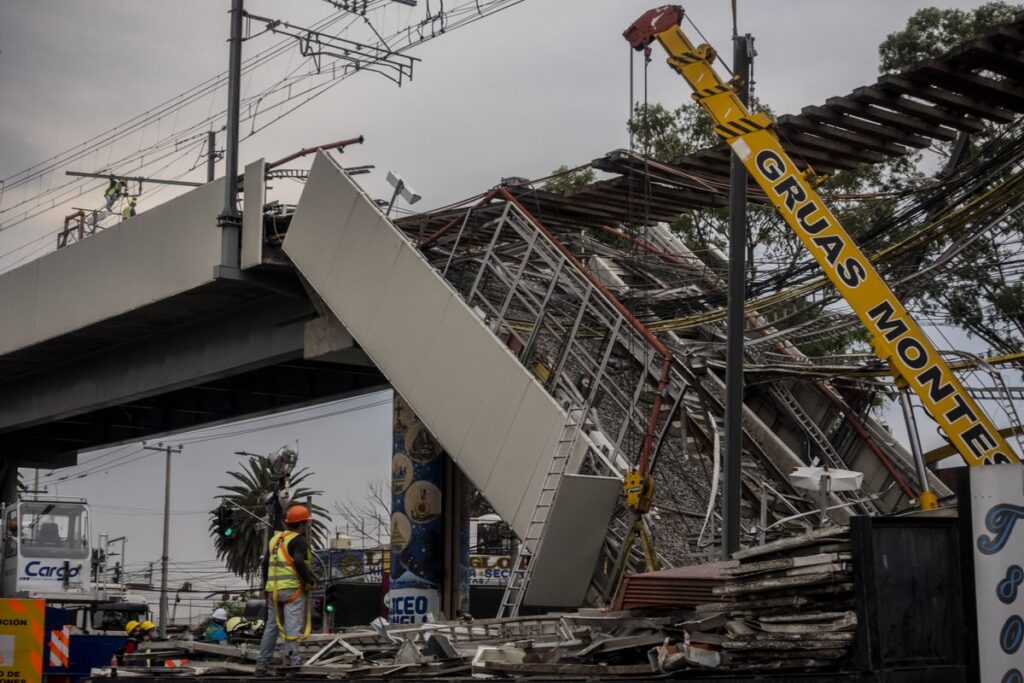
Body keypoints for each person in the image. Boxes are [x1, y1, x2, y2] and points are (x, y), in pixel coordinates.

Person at [254, 505, 317, 675]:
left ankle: (261, 665)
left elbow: (265, 563)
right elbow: (298, 561)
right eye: (306, 523)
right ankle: (293, 663)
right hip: (291, 590)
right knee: (291, 627)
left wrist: (265, 587)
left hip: (273, 591)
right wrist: (309, 580)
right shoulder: (299, 540)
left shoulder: (274, 540)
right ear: (302, 524)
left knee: (271, 628)